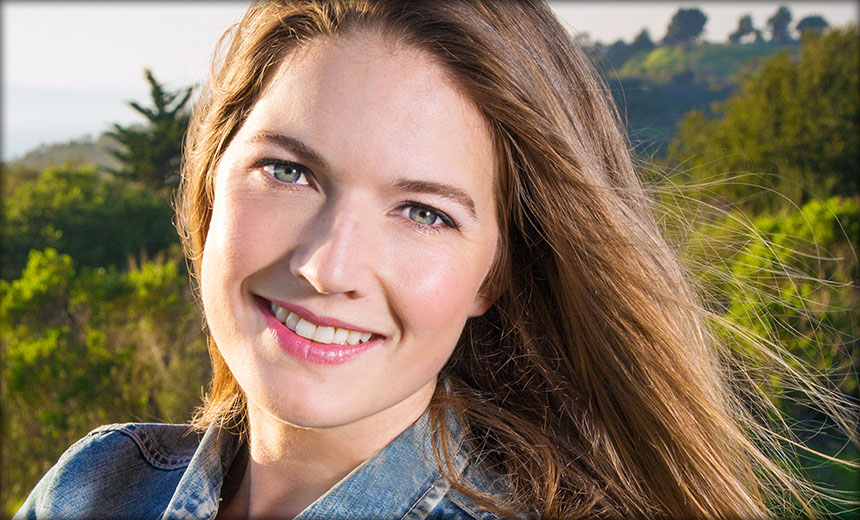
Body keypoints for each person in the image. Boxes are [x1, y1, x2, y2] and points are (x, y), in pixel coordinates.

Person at [15, 1, 853, 518]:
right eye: (290, 170)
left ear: (496, 273)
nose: (327, 265)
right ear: (208, 180)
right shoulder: (99, 486)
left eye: (423, 212)